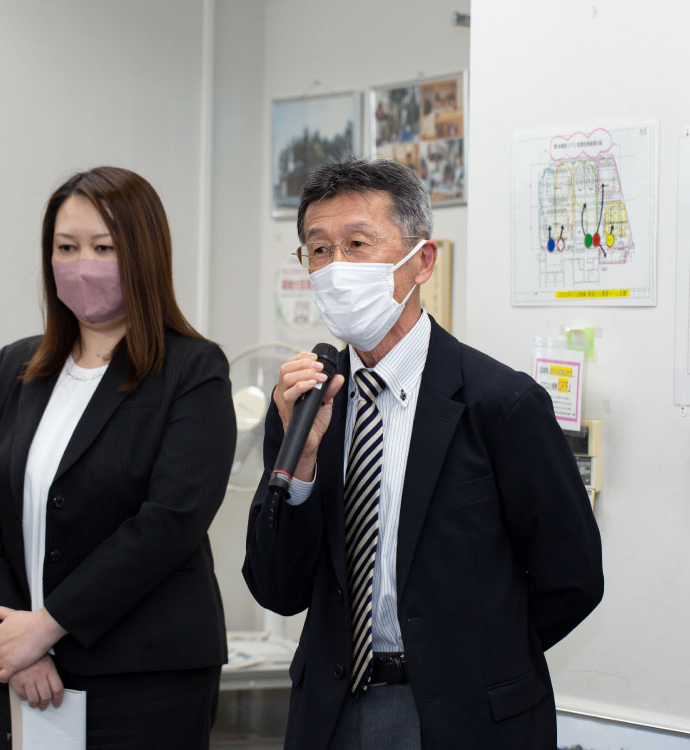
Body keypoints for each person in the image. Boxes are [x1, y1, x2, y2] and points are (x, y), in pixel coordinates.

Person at [243, 158, 603, 750]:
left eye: (357, 244)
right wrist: (300, 463)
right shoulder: (306, 402)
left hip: (465, 714)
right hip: (330, 710)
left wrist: (479, 661)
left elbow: (574, 577)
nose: (336, 268)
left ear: (422, 261)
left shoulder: (501, 402)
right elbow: (276, 589)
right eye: (319, 250)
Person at [0, 166, 236, 749]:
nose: (82, 264)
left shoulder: (192, 369)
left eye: (104, 248)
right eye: (66, 247)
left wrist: (49, 625)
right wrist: (16, 638)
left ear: (143, 256)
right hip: (21, 671)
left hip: (144, 679)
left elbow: (171, 520)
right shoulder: (16, 366)